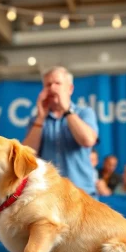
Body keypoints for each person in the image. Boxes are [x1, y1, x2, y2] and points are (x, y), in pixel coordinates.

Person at [23, 66, 98, 197]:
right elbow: (27, 155)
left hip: (82, 195)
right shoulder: (36, 121)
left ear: (70, 88)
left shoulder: (84, 113)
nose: (52, 88)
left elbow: (88, 140)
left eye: (57, 83)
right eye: (48, 84)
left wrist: (67, 110)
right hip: (50, 195)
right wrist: (40, 117)